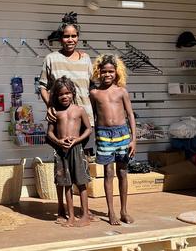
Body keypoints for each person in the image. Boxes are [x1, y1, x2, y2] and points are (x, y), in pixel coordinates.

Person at [39, 12, 95, 223]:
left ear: (78, 37)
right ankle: (62, 208)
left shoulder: (87, 59)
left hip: (83, 121)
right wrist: (50, 107)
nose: (69, 40)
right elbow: (43, 87)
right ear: (60, 38)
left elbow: (93, 88)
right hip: (59, 121)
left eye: (73, 36)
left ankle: (84, 211)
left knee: (80, 169)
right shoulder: (51, 59)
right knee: (61, 168)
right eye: (65, 36)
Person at [89, 55, 136, 225]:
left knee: (122, 172)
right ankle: (111, 212)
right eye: (104, 71)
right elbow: (94, 115)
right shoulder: (94, 93)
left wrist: (133, 139)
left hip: (122, 134)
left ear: (117, 72)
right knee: (108, 173)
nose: (107, 74)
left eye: (111, 71)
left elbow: (130, 114)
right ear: (98, 72)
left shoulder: (121, 91)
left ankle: (124, 210)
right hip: (103, 135)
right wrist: (94, 135)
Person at [46, 77, 92, 227]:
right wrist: (58, 142)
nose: (64, 96)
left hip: (77, 150)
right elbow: (50, 133)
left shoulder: (79, 110)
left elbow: (88, 129)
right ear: (56, 96)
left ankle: (85, 215)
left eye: (67, 93)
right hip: (61, 151)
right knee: (66, 183)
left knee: (82, 183)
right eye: (60, 94)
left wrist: (77, 140)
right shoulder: (55, 113)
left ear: (73, 93)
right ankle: (70, 216)